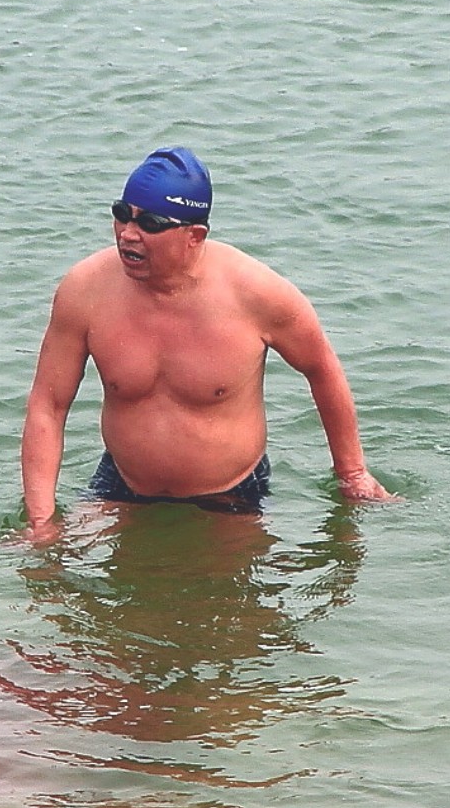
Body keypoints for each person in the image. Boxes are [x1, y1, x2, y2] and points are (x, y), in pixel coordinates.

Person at [21, 146, 397, 541]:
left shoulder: (257, 294)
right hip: (121, 485)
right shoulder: (85, 290)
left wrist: (353, 473)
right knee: (45, 563)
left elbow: (322, 369)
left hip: (230, 494)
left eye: (149, 223)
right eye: (121, 215)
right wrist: (41, 521)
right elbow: (49, 404)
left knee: (222, 584)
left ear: (194, 236)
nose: (128, 234)